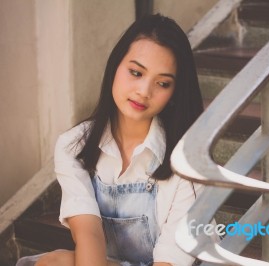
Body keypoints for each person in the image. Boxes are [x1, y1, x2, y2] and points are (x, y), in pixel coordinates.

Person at [16, 14, 204, 266]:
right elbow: (88, 235)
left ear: (174, 92)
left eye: (162, 83)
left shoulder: (187, 160)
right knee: (55, 262)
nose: (144, 91)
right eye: (136, 72)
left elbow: (170, 260)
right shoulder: (74, 146)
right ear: (115, 66)